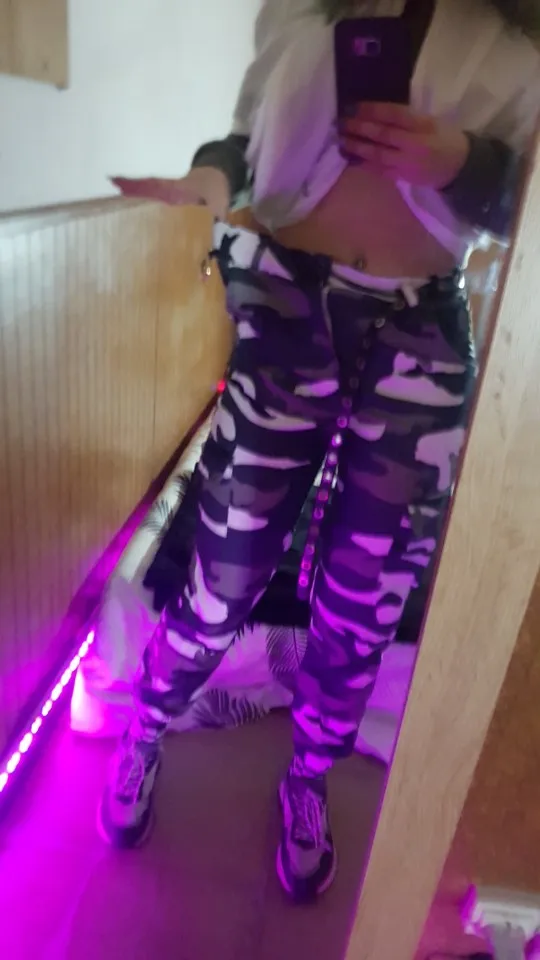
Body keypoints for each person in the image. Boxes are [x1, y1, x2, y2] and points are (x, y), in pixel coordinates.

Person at [98, 0, 540, 902]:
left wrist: (463, 165)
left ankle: (309, 776)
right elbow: (245, 142)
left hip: (423, 324)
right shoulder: (299, 10)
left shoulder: (521, 39)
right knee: (224, 572)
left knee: (364, 598)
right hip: (284, 302)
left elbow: (525, 198)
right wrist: (207, 181)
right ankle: (146, 725)